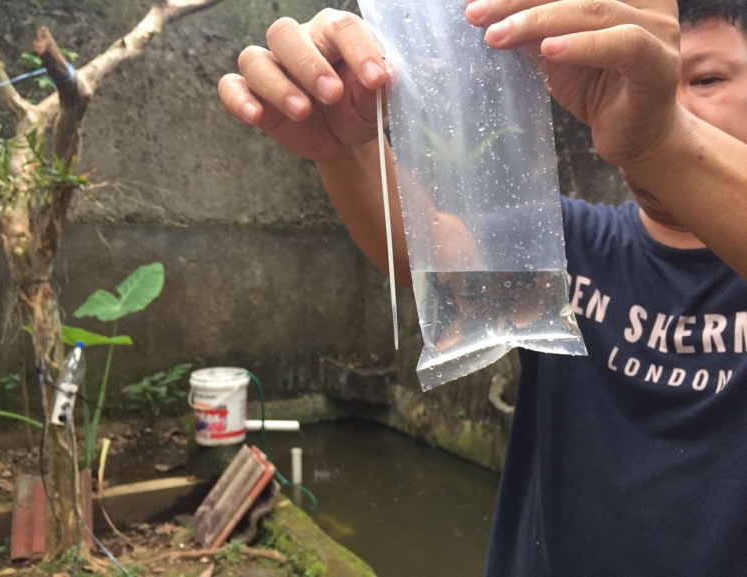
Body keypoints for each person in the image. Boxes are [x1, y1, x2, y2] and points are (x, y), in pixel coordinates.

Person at [219, 0, 747, 574]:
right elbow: (429, 249)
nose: (670, 98)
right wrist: (345, 144)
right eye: (657, 79)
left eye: (706, 78)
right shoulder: (576, 241)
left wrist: (662, 141)